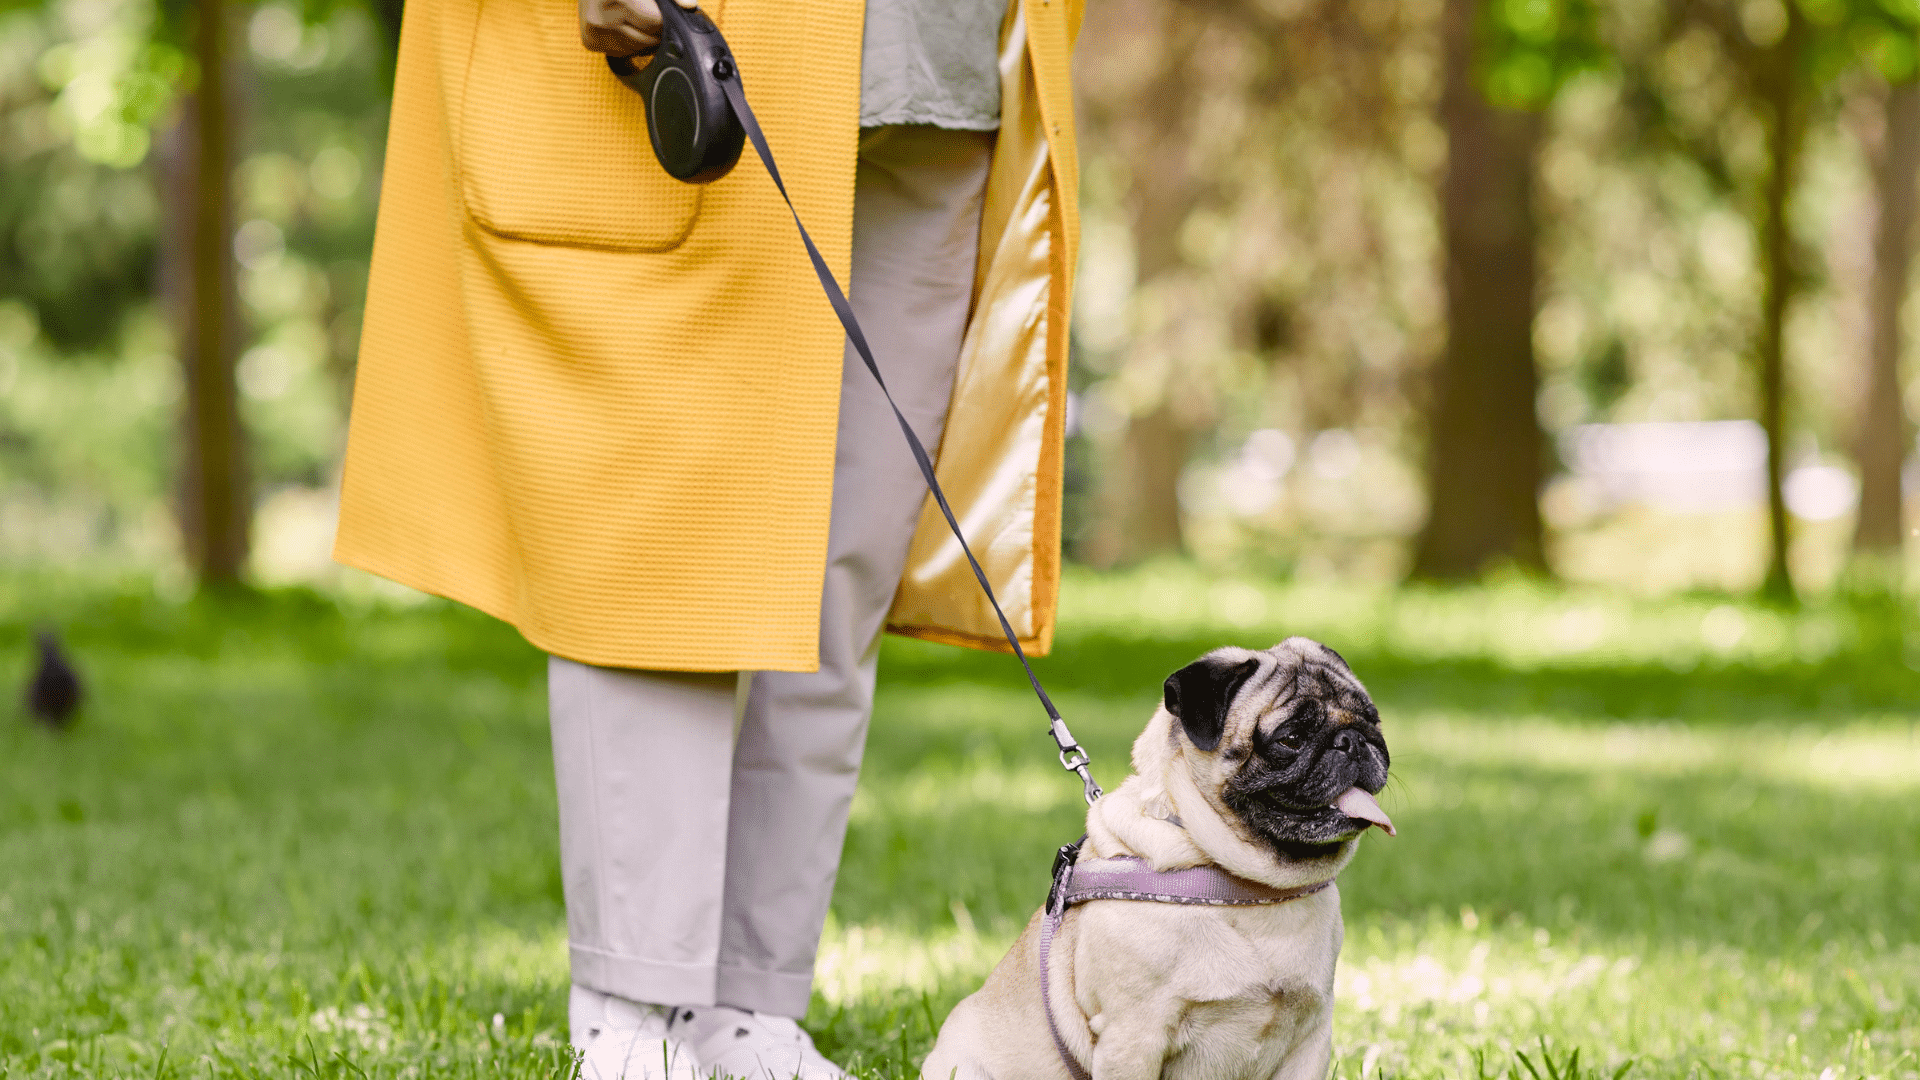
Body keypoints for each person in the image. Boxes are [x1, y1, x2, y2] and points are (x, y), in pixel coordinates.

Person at [333, 0, 1083, 1074]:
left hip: (940, 82)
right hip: (696, 58)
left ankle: (751, 1008)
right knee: (653, 558)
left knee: (845, 566)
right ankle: (632, 1010)